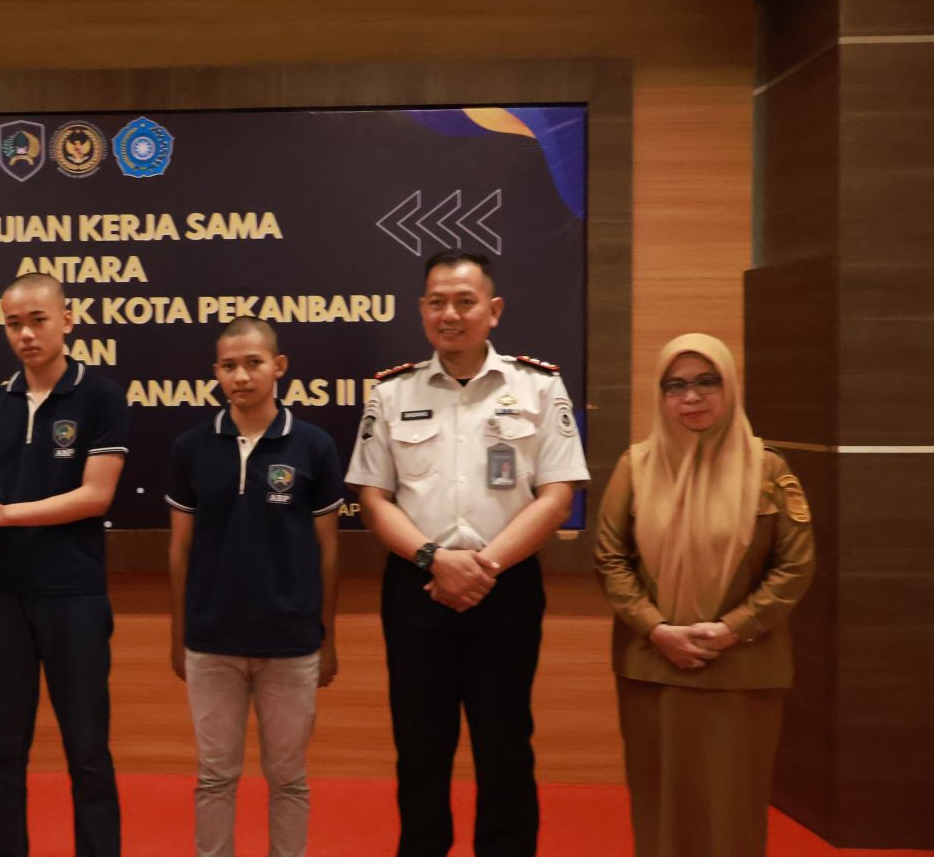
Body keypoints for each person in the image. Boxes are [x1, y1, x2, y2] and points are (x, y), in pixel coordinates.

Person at [345, 250, 590, 857]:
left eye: (464, 301)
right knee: (419, 749)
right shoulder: (391, 393)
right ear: (422, 310)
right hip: (417, 587)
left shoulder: (538, 387)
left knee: (505, 745)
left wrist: (484, 568)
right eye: (437, 302)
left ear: (494, 310)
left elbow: (558, 494)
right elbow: (373, 498)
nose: (449, 314)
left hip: (505, 589)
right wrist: (435, 559)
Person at [593, 333, 815, 857]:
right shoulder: (636, 466)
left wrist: (733, 628)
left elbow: (795, 565)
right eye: (675, 386)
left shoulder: (769, 470)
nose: (690, 397)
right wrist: (656, 629)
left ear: (729, 386)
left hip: (743, 667)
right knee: (661, 800)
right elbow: (609, 558)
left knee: (733, 804)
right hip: (654, 665)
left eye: (706, 382)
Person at [0, 272, 129, 857]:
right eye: (13, 324)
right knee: (1, 754)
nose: (25, 334)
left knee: (88, 753)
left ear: (67, 320)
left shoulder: (100, 398)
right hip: (2, 595)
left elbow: (96, 496)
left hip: (74, 593)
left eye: (38, 320)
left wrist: (4, 513)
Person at [165, 317, 345, 857]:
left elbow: (328, 550)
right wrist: (179, 634)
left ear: (278, 366)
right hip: (211, 642)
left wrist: (327, 638)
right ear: (216, 372)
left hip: (291, 643)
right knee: (214, 776)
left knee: (288, 778)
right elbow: (180, 549)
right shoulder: (192, 447)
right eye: (229, 366)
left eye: (253, 363)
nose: (240, 376)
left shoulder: (313, 446)